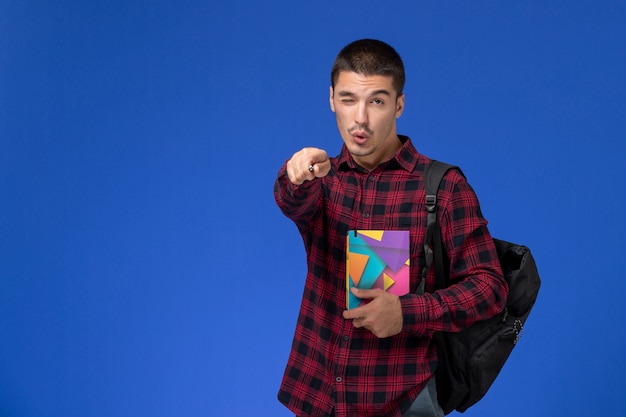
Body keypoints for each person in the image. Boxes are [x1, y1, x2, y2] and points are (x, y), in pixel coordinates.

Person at [273, 39, 508, 417]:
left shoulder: (442, 187)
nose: (360, 118)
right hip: (319, 396)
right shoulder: (322, 181)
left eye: (377, 101)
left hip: (402, 399)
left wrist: (407, 312)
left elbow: (489, 286)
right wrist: (294, 172)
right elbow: (290, 201)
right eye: (349, 99)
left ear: (399, 105)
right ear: (332, 99)